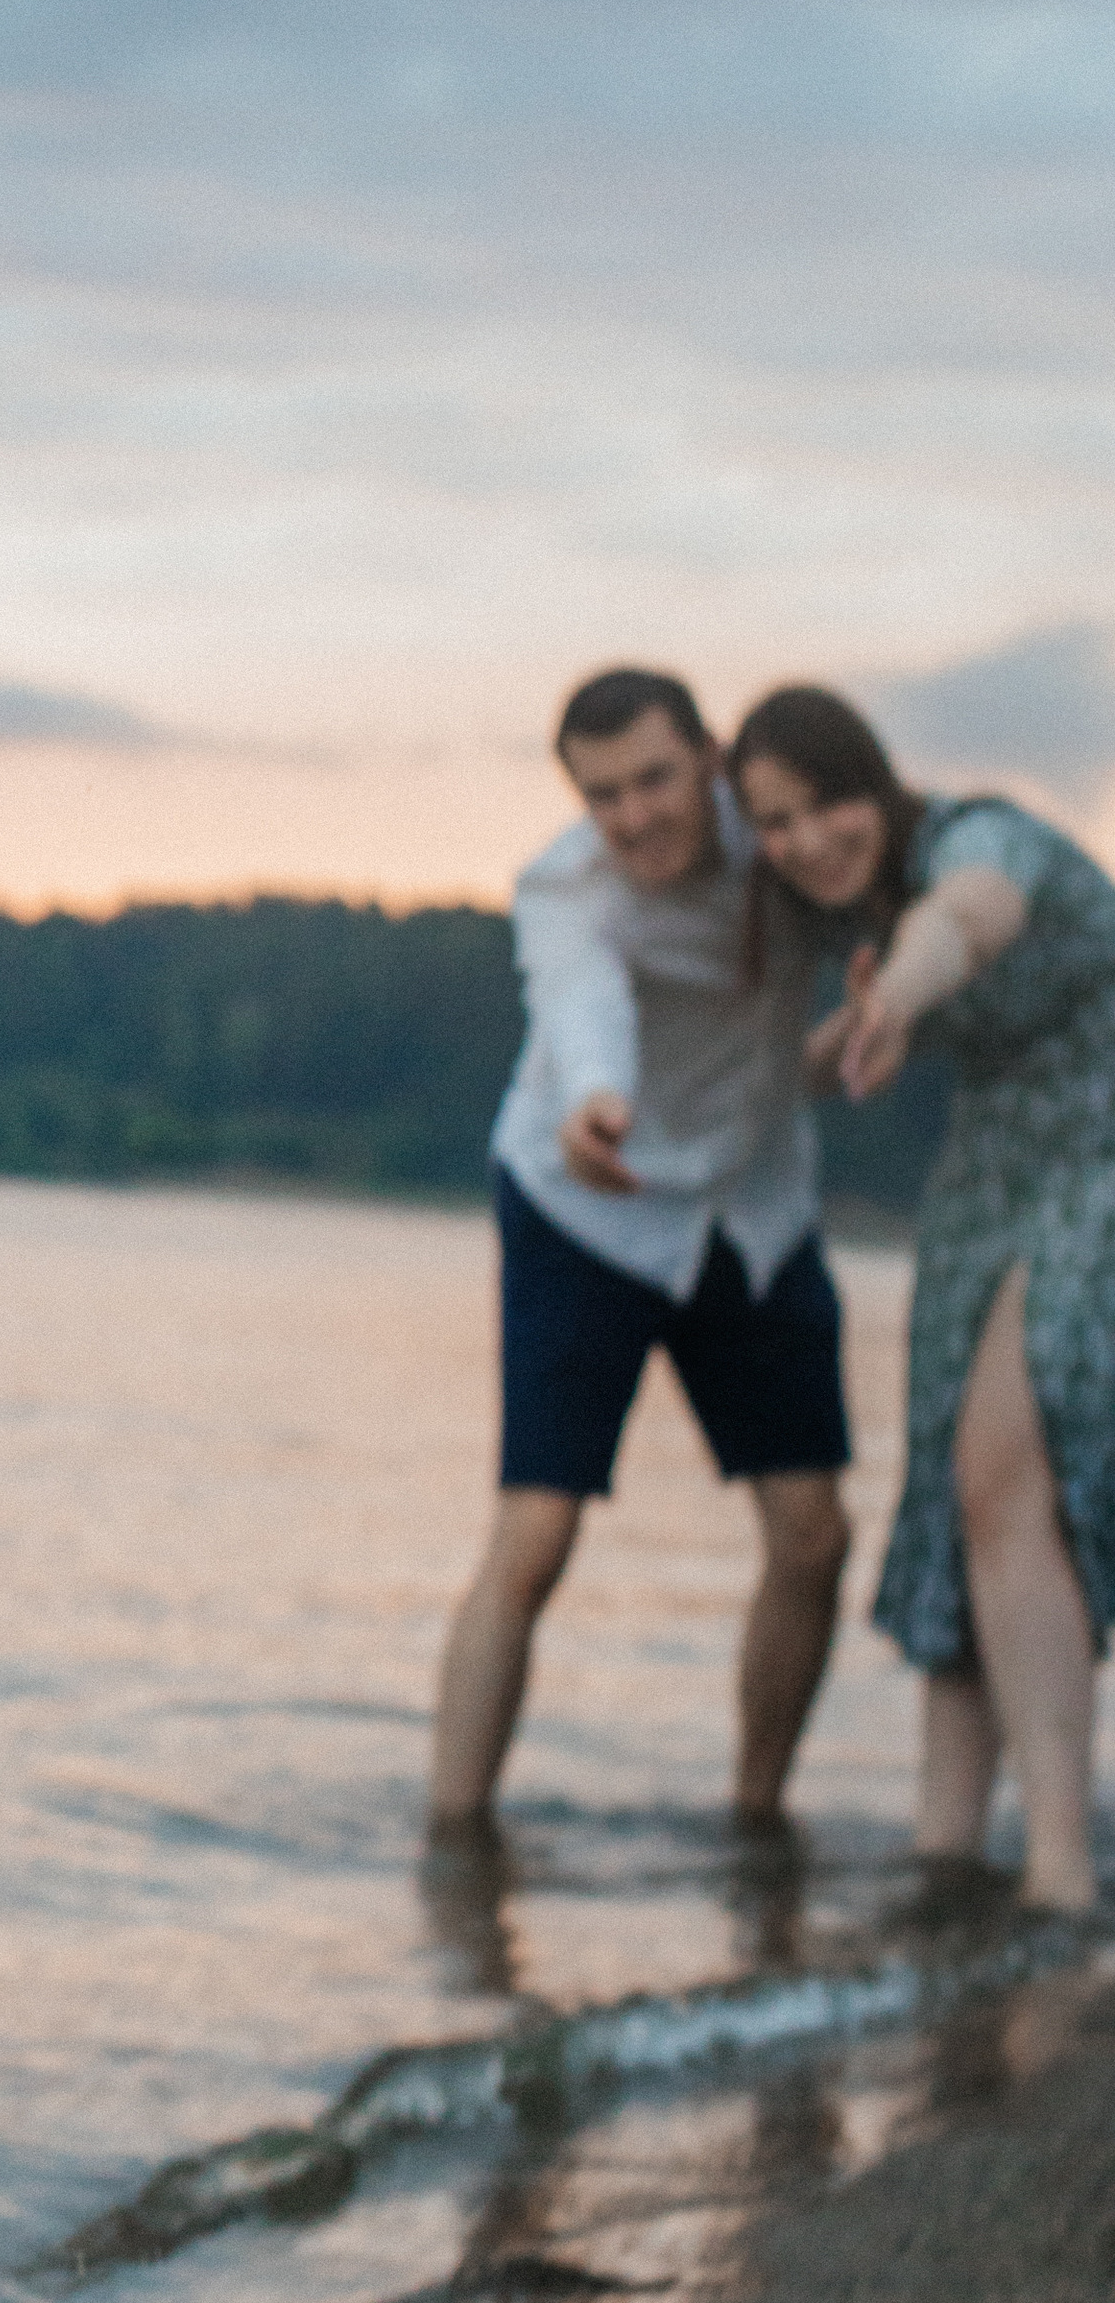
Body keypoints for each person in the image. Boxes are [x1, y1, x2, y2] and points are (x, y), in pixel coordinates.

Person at [429, 666, 851, 1835]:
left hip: (751, 1211)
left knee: (813, 1533)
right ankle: (451, 1834)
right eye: (603, 794)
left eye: (655, 779)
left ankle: (755, 1818)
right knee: (536, 1533)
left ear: (710, 758)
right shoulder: (566, 887)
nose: (634, 818)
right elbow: (577, 1002)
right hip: (586, 1203)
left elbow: (881, 884)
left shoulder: (782, 839)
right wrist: (597, 1097)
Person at [731, 684, 1115, 1916]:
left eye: (822, 801)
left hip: (1100, 1164)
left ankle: (1057, 1867)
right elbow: (823, 1049)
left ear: (874, 782)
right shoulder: (854, 920)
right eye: (773, 822)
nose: (806, 839)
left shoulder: (973, 843)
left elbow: (968, 924)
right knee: (958, 1511)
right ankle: (945, 1861)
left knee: (1005, 1479)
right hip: (989, 1177)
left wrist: (895, 999)